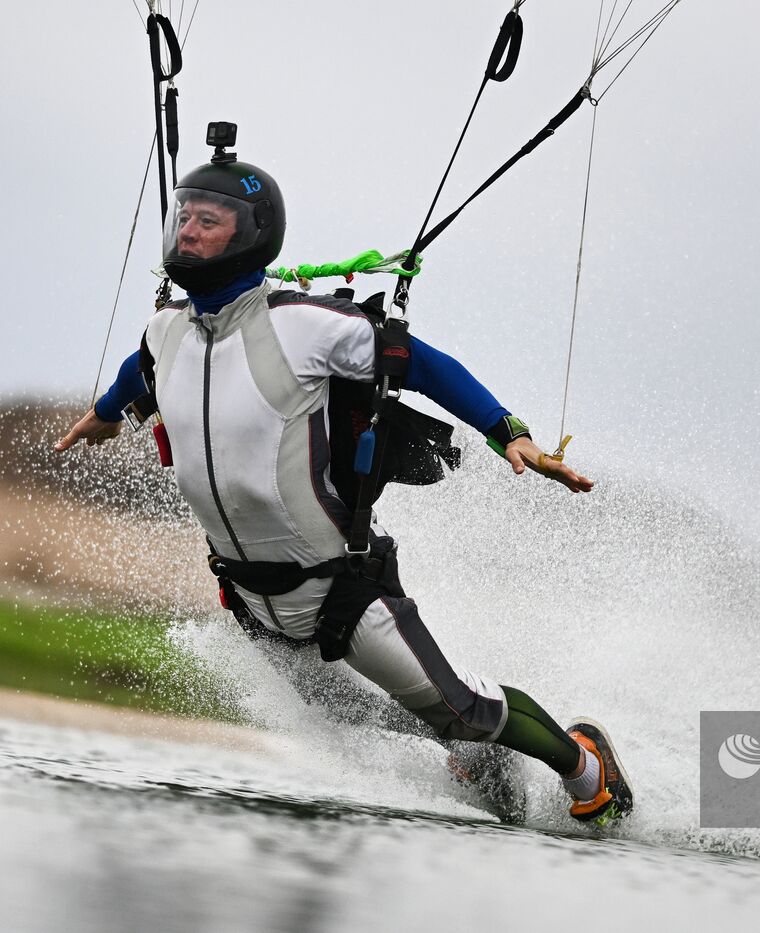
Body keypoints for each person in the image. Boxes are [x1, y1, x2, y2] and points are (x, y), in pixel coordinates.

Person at [55, 136, 632, 826]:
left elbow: (420, 363)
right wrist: (103, 413)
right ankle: (474, 756)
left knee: (460, 708)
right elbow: (138, 371)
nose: (190, 228)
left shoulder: (303, 325)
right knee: (350, 710)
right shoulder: (165, 330)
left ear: (253, 234)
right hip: (249, 595)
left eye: (210, 220)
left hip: (343, 587)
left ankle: (588, 764)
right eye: (185, 215)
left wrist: (509, 431)